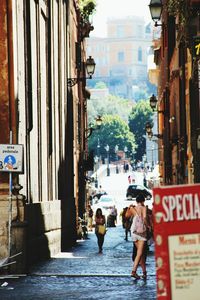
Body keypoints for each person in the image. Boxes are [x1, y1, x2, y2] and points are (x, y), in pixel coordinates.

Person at [125, 193, 149, 279]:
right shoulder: (143, 208)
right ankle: (133, 271)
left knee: (140, 253)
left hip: (133, 232)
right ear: (143, 201)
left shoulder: (133, 208)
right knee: (139, 253)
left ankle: (144, 272)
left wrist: (129, 208)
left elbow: (126, 216)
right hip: (141, 232)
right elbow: (145, 218)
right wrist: (148, 226)